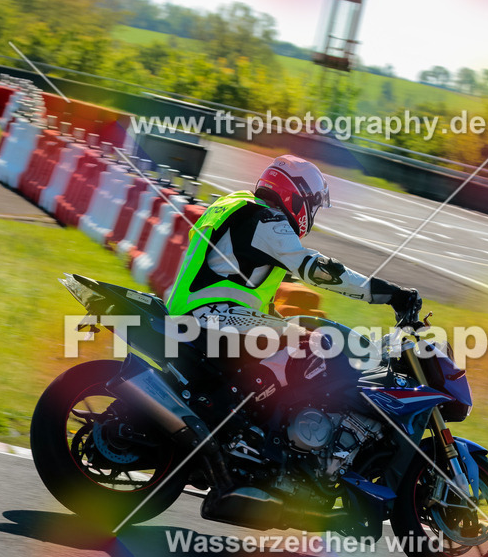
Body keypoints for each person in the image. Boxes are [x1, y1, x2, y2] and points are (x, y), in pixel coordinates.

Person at [164, 155, 421, 514]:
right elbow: (319, 272)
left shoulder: (232, 206)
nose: (311, 214)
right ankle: (260, 449)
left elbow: (235, 281)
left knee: (294, 334)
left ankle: (246, 436)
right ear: (297, 197)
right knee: (315, 344)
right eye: (312, 204)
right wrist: (391, 294)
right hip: (212, 318)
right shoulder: (268, 221)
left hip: (198, 316)